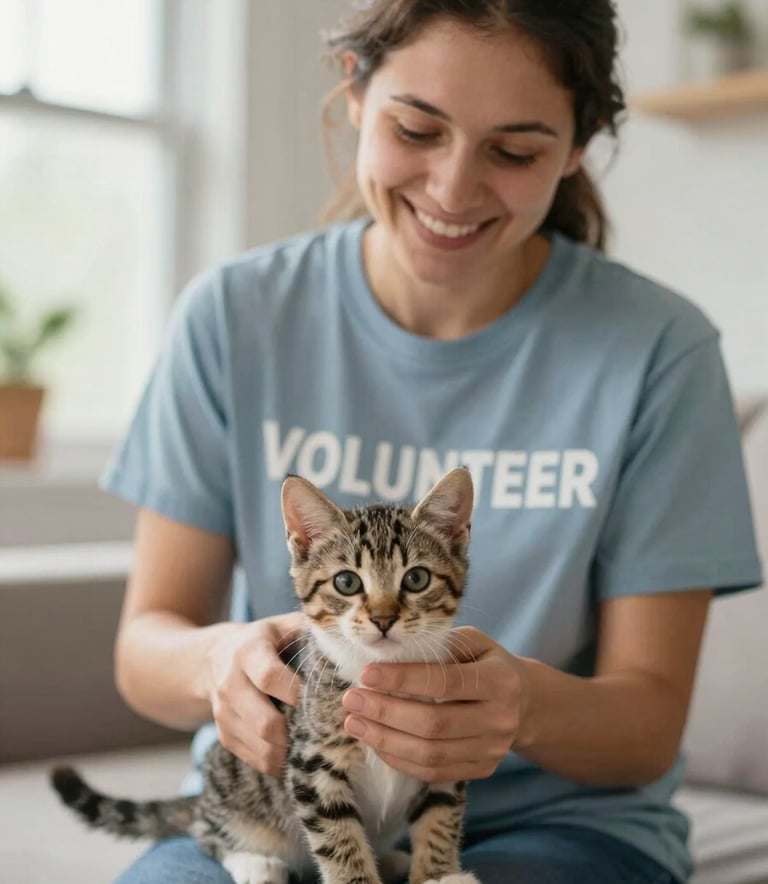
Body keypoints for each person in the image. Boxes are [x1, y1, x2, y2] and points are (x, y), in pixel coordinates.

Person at [104, 2, 762, 883]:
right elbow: (146, 649)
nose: (452, 191)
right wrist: (218, 662)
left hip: (563, 824)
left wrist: (518, 708)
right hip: (289, 806)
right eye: (417, 128)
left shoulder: (658, 354)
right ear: (354, 94)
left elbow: (646, 731)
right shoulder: (234, 317)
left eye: (516, 151)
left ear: (577, 146)